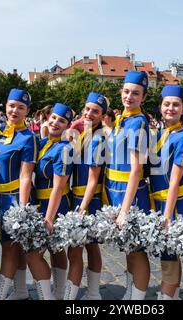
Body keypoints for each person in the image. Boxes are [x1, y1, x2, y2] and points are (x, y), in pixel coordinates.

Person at [104, 70, 151, 300]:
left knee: (137, 251)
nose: (129, 97)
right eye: (126, 92)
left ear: (143, 97)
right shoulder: (123, 119)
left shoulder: (137, 123)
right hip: (117, 193)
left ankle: (138, 299)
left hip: (129, 196)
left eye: (135, 93)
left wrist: (124, 209)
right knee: (129, 250)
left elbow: (136, 169)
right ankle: (131, 292)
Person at [0, 89, 38, 300]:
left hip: (15, 199)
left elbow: (26, 175)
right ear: (5, 106)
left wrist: (22, 208)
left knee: (9, 248)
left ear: (27, 111)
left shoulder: (29, 138)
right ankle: (20, 291)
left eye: (20, 107)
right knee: (8, 246)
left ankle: (0, 295)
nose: (14, 110)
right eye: (11, 106)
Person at [149, 85, 183, 300]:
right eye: (167, 104)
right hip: (159, 202)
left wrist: (167, 214)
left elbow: (175, 180)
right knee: (169, 254)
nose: (170, 108)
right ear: (161, 106)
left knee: (169, 254)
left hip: (174, 203)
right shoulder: (160, 134)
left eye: (176, 105)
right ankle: (172, 295)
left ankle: (165, 298)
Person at [27, 103, 74, 300]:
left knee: (33, 254)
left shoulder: (64, 149)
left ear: (67, 126)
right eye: (53, 117)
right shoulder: (45, 142)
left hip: (55, 206)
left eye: (61, 120)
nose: (56, 122)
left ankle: (51, 296)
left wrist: (49, 218)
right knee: (56, 250)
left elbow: (58, 187)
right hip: (41, 204)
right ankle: (59, 293)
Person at [67, 92, 108, 300]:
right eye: (88, 109)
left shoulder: (98, 139)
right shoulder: (85, 134)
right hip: (79, 198)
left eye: (96, 111)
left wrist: (81, 209)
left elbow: (93, 180)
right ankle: (92, 293)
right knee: (87, 248)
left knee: (80, 249)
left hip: (87, 201)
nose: (90, 113)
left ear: (102, 116)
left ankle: (84, 294)